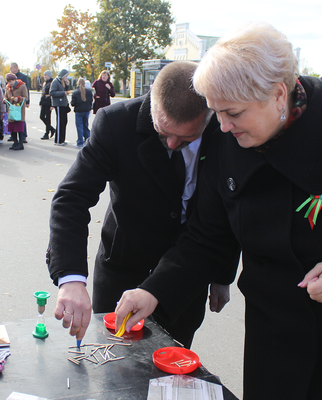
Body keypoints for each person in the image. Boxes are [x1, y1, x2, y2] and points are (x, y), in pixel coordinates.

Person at [114, 23, 322, 399]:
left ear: (277, 95)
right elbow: (207, 238)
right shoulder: (226, 138)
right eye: (216, 113)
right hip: (270, 339)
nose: (223, 127)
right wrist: (154, 289)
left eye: (234, 114)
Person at [47, 61, 230, 349]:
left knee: (170, 375)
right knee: (114, 372)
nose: (170, 144)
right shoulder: (115, 123)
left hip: (186, 278)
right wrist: (71, 278)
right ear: (151, 101)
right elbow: (72, 197)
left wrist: (222, 274)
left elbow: (222, 217)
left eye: (185, 139)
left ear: (209, 116)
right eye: (162, 131)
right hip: (122, 271)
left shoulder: (226, 131)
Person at [4, 72, 28, 150]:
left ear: (15, 80)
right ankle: (15, 142)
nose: (10, 83)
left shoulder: (22, 86)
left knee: (19, 126)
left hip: (18, 109)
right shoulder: (7, 87)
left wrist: (19, 98)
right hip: (11, 109)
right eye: (8, 81)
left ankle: (21, 143)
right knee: (12, 127)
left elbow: (26, 97)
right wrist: (5, 99)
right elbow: (6, 96)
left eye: (11, 81)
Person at [50, 69, 71, 146]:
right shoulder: (55, 81)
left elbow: (66, 90)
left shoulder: (62, 82)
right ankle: (58, 140)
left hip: (63, 104)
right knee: (60, 122)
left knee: (64, 121)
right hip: (58, 104)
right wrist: (63, 93)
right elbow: (52, 92)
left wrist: (67, 85)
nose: (67, 78)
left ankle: (62, 139)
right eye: (66, 76)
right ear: (63, 76)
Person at [10, 62, 30, 143]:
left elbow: (26, 90)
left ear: (16, 68)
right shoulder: (10, 77)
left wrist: (27, 101)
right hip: (13, 102)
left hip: (20, 102)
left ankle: (23, 136)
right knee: (13, 118)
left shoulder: (23, 77)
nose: (10, 70)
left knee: (21, 118)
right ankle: (13, 135)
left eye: (11, 68)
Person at [71, 77, 92, 148]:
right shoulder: (89, 92)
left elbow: (73, 103)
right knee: (86, 126)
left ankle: (80, 142)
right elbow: (91, 101)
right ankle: (88, 141)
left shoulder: (75, 92)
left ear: (78, 83)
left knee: (79, 126)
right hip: (87, 110)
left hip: (79, 111)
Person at [39, 70, 56, 140]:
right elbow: (43, 93)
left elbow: (52, 94)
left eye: (46, 75)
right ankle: (51, 129)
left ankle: (47, 133)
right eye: (44, 75)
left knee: (48, 118)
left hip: (48, 103)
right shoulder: (45, 83)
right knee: (41, 116)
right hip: (44, 102)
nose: (45, 76)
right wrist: (40, 101)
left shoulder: (52, 83)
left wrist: (52, 104)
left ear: (49, 76)